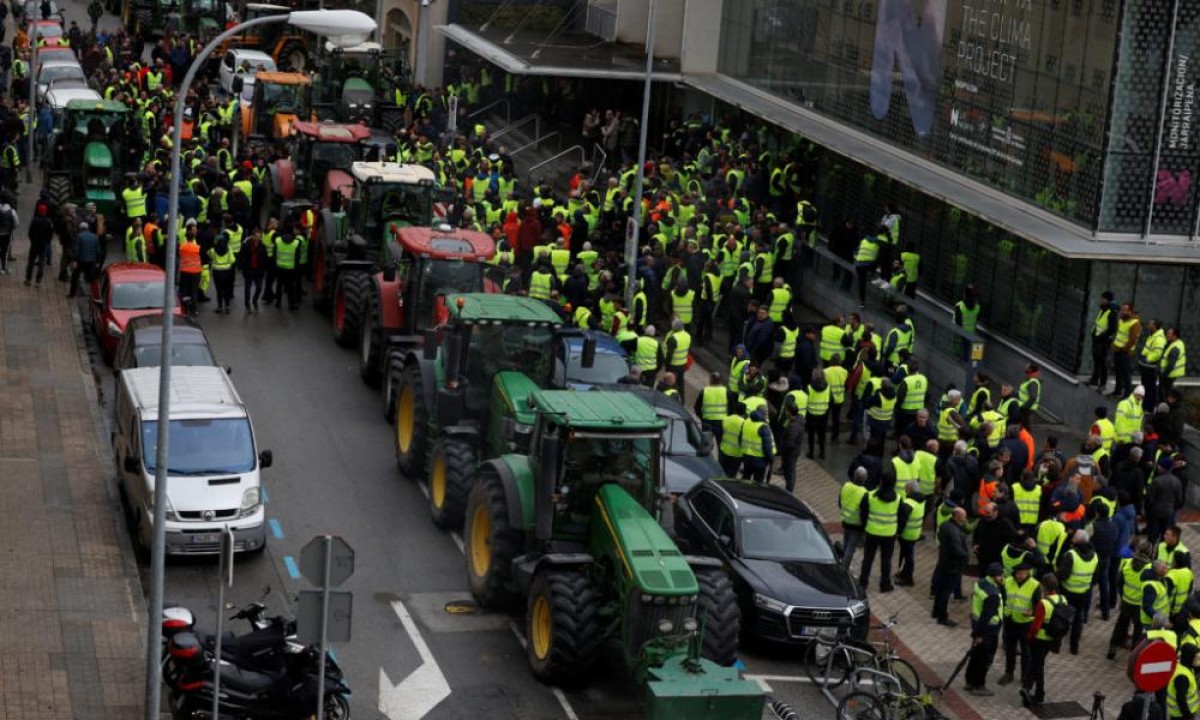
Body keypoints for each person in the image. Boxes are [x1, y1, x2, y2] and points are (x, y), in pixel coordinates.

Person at [1022, 573, 1067, 708]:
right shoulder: (1063, 599)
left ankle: (1028, 688)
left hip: (1040, 639)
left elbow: (1036, 625)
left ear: (1044, 587)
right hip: (1053, 638)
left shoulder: (1044, 603)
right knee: (1038, 664)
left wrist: (1029, 636)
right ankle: (1038, 693)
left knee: (1035, 663)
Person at [858, 472, 906, 593]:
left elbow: (863, 513)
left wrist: (865, 526)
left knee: (868, 558)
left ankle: (863, 582)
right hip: (889, 534)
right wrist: (898, 531)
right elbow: (902, 518)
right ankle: (884, 584)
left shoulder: (870, 496)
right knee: (886, 560)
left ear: (880, 481)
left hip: (871, 531)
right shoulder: (898, 499)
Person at [964, 562, 1006, 696]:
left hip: (977, 625)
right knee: (984, 659)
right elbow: (986, 616)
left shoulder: (980, 583)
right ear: (994, 577)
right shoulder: (993, 594)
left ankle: (970, 681)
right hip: (988, 630)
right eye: (1000, 576)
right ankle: (979, 685)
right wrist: (979, 635)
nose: (1002, 578)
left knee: (975, 656)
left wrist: (975, 632)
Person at [1056, 529, 1097, 655]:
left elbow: (1063, 574)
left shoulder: (1071, 555)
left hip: (1067, 590)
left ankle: (1056, 644)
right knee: (1078, 619)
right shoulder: (1094, 556)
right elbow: (1095, 576)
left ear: (1077, 541)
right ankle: (1074, 647)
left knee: (1062, 617)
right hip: (1083, 591)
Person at [1109, 540, 1153, 659]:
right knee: (1138, 630)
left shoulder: (1127, 563)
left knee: (1121, 624)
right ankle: (1134, 654)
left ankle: (1112, 648)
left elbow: (1120, 582)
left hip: (1127, 601)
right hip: (1139, 605)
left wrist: (1124, 595)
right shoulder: (1150, 569)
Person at [1000, 562, 1040, 687]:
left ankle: (1024, 676)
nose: (1019, 575)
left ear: (1028, 572)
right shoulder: (1008, 581)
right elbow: (1002, 598)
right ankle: (1009, 673)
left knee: (1026, 652)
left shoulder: (1035, 585)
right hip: (1010, 621)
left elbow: (1038, 605)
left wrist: (1032, 611)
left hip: (1025, 624)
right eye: (1017, 573)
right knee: (1010, 650)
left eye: (1022, 573)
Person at [933, 506, 969, 626]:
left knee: (940, 589)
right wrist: (966, 556)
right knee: (945, 591)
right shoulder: (954, 530)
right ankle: (942, 616)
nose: (965, 519)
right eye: (963, 517)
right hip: (952, 566)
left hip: (944, 562)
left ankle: (936, 612)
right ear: (957, 516)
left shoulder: (945, 525)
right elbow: (957, 549)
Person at [1146, 457, 1184, 543]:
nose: (1158, 467)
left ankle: (1150, 551)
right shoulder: (1177, 481)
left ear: (1164, 467)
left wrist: (1149, 509)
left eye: (1160, 466)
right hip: (1168, 512)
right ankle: (1160, 549)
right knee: (1164, 533)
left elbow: (1150, 499)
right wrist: (1173, 508)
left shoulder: (1156, 481)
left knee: (1152, 534)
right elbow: (1179, 499)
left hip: (1155, 511)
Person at [894, 481, 924, 586]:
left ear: (910, 490)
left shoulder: (908, 503)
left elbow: (902, 520)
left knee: (908, 557)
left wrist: (898, 532)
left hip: (907, 534)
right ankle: (903, 573)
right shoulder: (921, 500)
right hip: (915, 532)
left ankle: (908, 579)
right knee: (906, 555)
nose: (905, 489)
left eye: (906, 488)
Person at [840, 468, 869, 568]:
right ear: (864, 479)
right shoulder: (864, 493)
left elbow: (839, 503)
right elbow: (864, 514)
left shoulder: (846, 486)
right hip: (856, 525)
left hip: (845, 521)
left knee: (845, 545)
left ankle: (841, 563)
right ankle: (844, 569)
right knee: (850, 549)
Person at [1111, 303, 1142, 398]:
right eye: (1122, 309)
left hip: (1125, 352)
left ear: (1130, 311)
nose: (1123, 311)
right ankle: (1117, 390)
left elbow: (1132, 339)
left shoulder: (1134, 323)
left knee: (1126, 374)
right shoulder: (1121, 320)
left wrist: (1124, 348)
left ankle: (1127, 393)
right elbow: (1119, 334)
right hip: (1118, 350)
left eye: (1125, 310)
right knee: (1117, 372)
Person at [1088, 290, 1117, 389]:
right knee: (1096, 360)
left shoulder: (1111, 312)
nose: (1101, 300)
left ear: (1107, 300)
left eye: (1102, 298)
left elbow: (1112, 328)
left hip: (1103, 341)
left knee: (1102, 361)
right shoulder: (1103, 310)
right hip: (1097, 339)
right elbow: (1099, 323)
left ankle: (1103, 383)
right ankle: (1095, 379)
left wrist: (1102, 336)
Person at [740, 407, 774, 484]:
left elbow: (740, 438)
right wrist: (770, 458)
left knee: (745, 479)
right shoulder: (763, 427)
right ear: (763, 415)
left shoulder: (746, 422)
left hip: (746, 458)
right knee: (758, 482)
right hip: (759, 460)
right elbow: (767, 446)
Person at [238, 227, 268, 314]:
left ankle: (255, 300)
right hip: (249, 269)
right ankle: (247, 306)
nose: (257, 238)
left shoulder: (262, 246)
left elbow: (265, 258)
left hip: (259, 270)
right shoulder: (246, 245)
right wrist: (240, 266)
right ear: (252, 236)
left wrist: (265, 268)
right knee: (247, 288)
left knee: (259, 287)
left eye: (259, 237)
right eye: (256, 236)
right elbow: (241, 255)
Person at [24, 201, 53, 288]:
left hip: (34, 244)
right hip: (43, 245)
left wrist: (33, 240)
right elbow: (50, 234)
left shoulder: (35, 220)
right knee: (41, 263)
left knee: (31, 261)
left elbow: (30, 232)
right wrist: (47, 242)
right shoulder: (48, 221)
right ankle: (38, 281)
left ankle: (28, 279)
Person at [67, 221, 98, 298]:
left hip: (81, 261)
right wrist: (97, 261)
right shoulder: (94, 237)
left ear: (81, 228)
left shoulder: (79, 236)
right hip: (91, 261)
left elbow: (76, 250)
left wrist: (74, 260)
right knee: (92, 279)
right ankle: (95, 295)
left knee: (75, 277)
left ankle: (72, 294)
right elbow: (98, 250)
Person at [779, 403, 804, 492]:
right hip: (792, 451)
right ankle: (789, 488)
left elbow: (790, 443)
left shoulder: (794, 426)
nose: (785, 412)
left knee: (790, 472)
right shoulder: (794, 422)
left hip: (791, 453)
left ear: (789, 412)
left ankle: (789, 491)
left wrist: (784, 450)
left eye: (786, 410)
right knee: (789, 471)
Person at [719, 401, 745, 477]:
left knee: (721, 473)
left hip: (724, 450)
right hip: (737, 454)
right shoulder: (744, 423)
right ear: (744, 412)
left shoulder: (725, 419)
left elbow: (720, 434)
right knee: (731, 476)